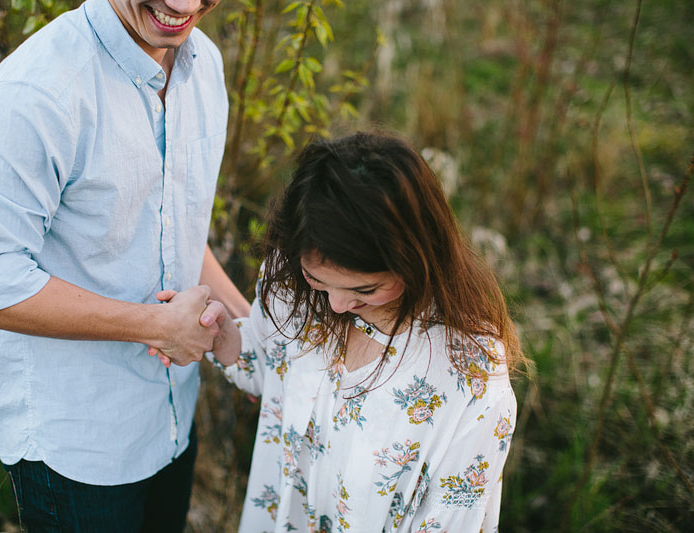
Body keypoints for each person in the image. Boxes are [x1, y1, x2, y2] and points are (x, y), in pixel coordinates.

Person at [0, 0, 247, 531]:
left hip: (171, 421)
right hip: (78, 449)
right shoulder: (34, 95)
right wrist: (157, 326)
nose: (181, 6)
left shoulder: (207, 65)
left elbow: (171, 224)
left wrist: (255, 335)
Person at [193, 131, 522, 532]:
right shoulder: (291, 283)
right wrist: (219, 332)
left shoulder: (467, 377)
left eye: (364, 289)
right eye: (319, 280)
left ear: (415, 258)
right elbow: (273, 369)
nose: (335, 306)